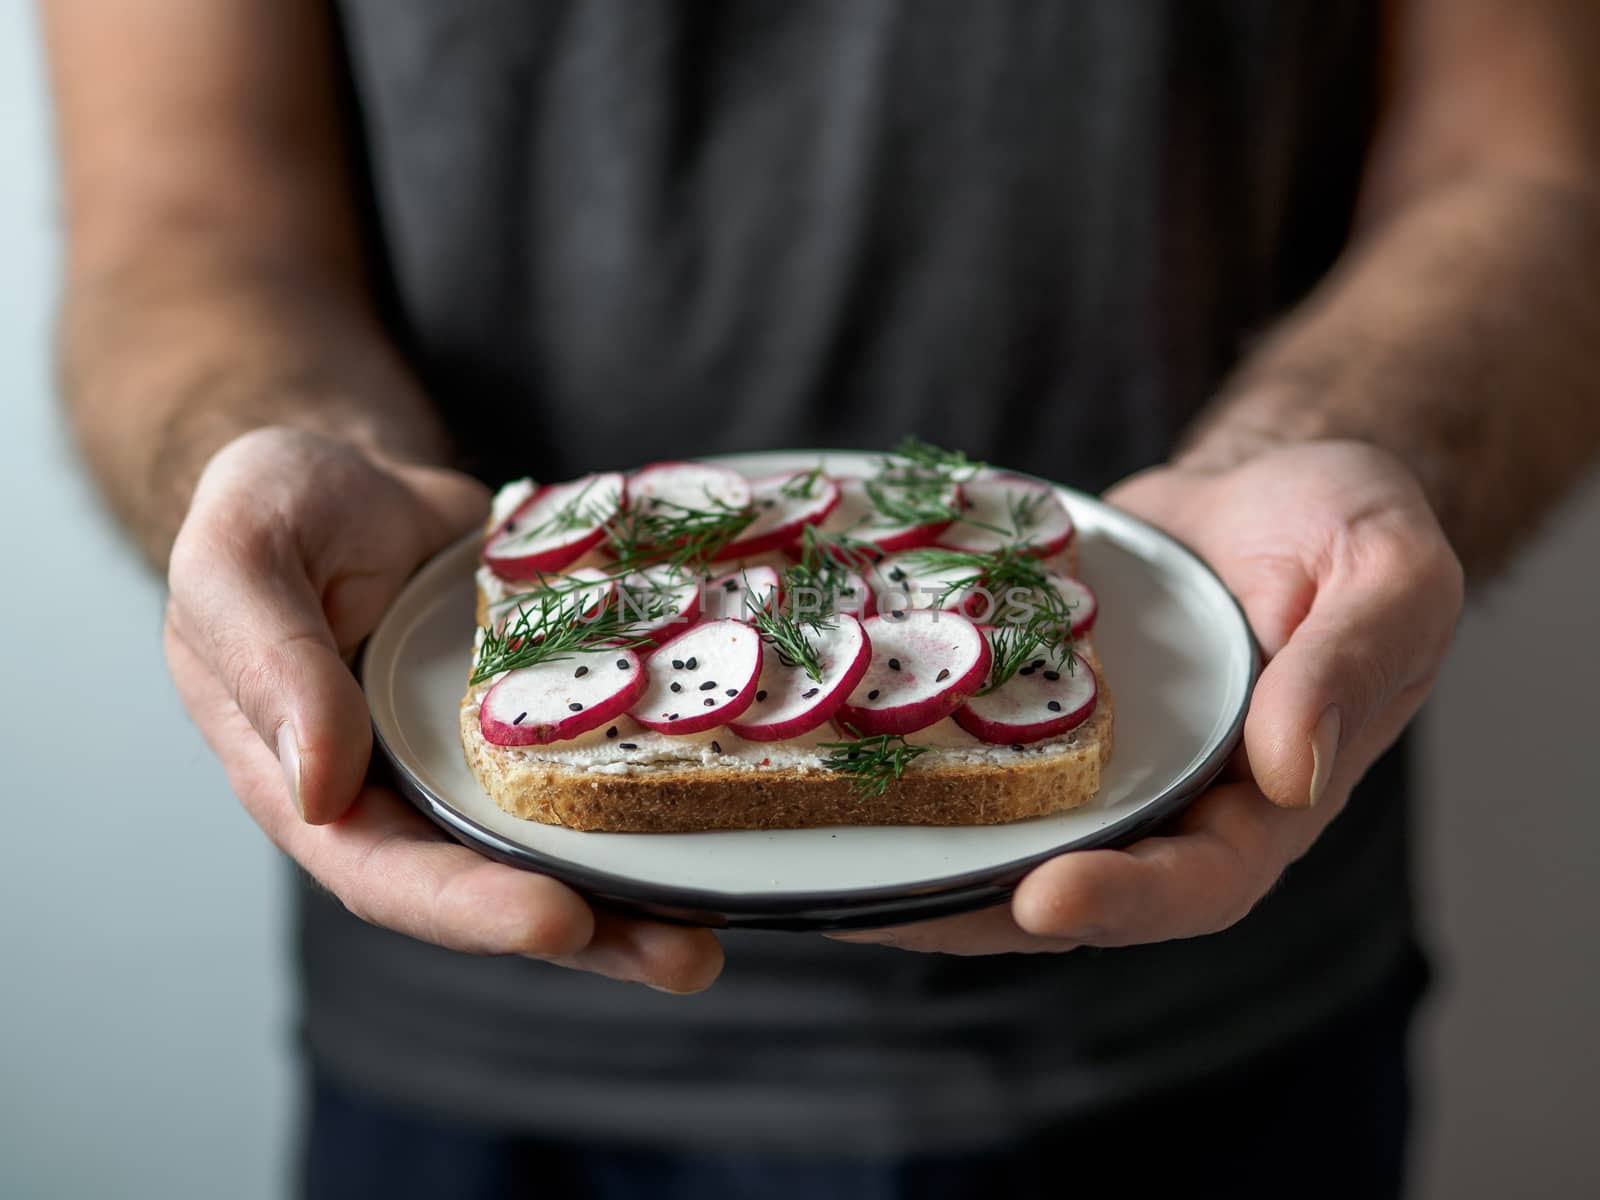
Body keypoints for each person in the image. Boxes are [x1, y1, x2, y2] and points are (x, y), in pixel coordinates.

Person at [43, 1, 1600, 1196]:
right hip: (474, 1033)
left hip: (1224, 1000)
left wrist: (1337, 449)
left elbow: (1525, 163)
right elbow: (181, 226)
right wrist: (286, 467)